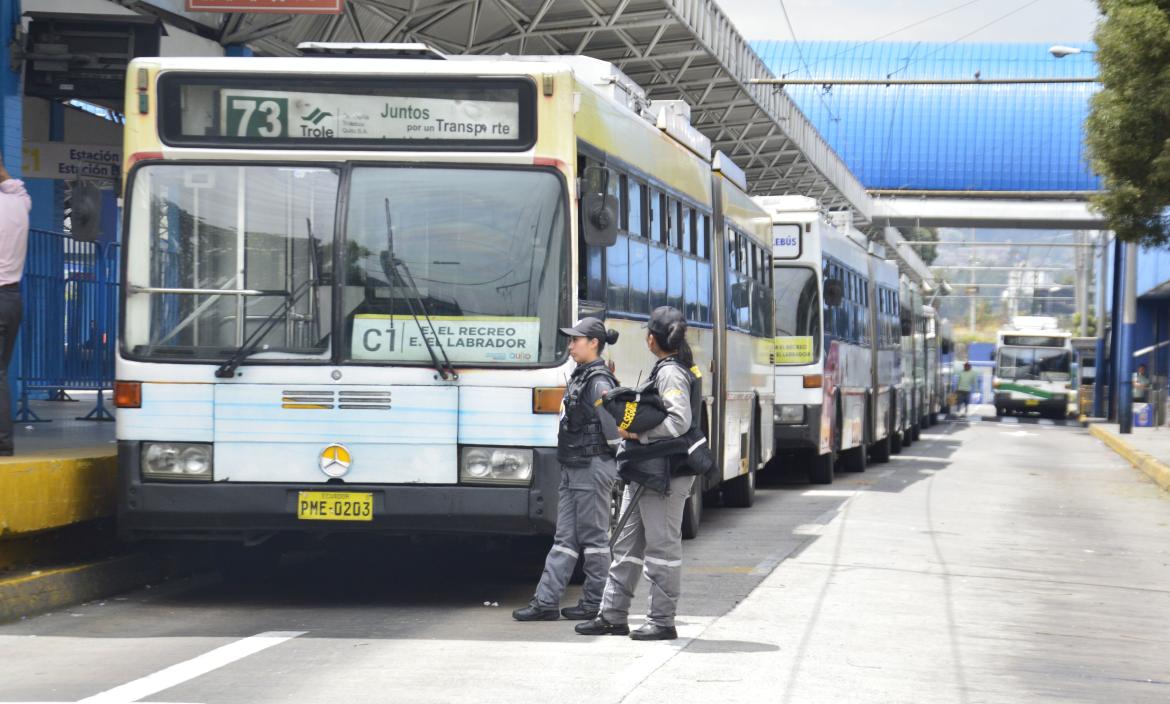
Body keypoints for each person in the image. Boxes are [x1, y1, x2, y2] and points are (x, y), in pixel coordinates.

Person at [576, 306, 698, 642]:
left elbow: (678, 422)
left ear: (651, 339)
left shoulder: (672, 373)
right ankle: (613, 616)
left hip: (667, 474)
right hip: (646, 471)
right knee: (627, 547)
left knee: (662, 550)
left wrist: (637, 435)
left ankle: (661, 620)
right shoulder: (664, 369)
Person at [513, 317, 621, 622]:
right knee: (565, 539)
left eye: (576, 340)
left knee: (595, 539)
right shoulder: (582, 376)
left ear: (594, 343)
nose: (570, 345)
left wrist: (617, 462)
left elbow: (612, 430)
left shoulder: (599, 381)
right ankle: (546, 601)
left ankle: (596, 602)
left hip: (591, 467)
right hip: (573, 466)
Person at [0, 157, 30, 457]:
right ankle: (3, 440)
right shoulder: (20, 205)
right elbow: (19, 189)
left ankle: (2, 439)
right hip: (11, 299)